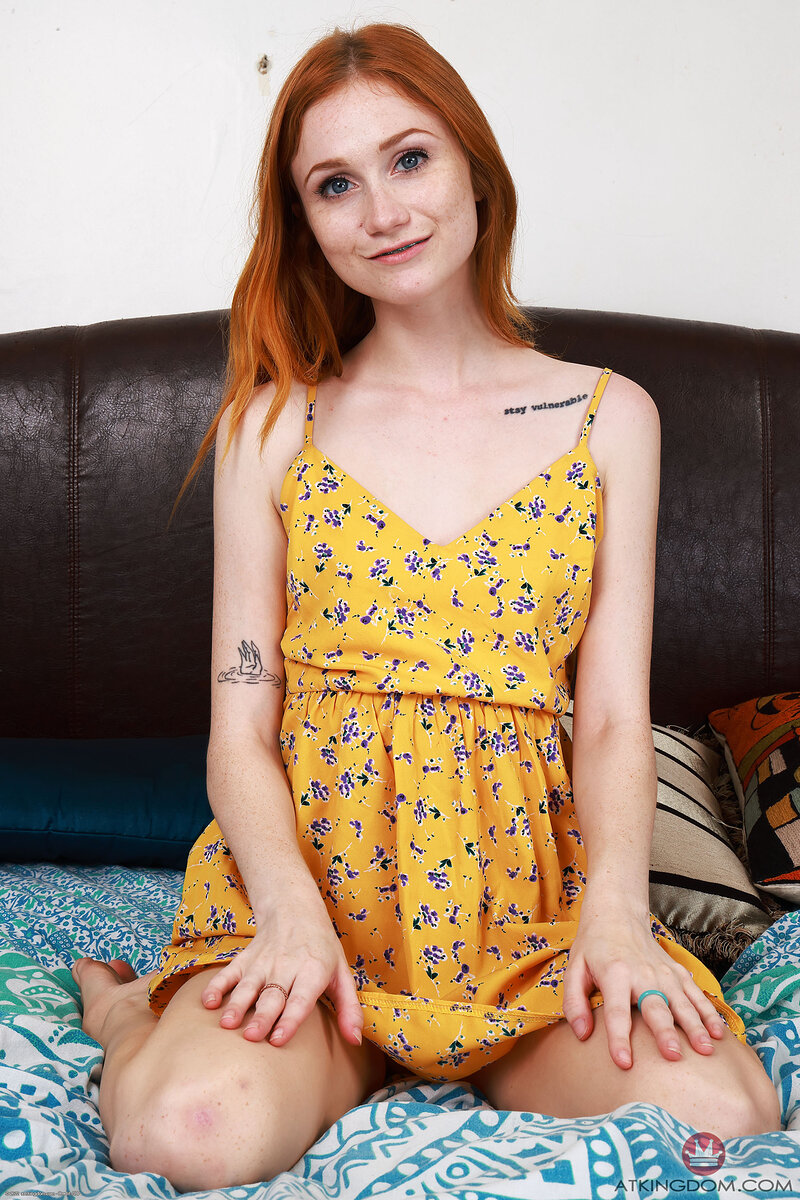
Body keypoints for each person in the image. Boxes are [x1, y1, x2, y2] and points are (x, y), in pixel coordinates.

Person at [70, 20, 782, 1193]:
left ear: (472, 169)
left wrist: (614, 917)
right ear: (304, 221)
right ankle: (126, 1016)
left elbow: (613, 717)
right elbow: (241, 722)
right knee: (180, 1135)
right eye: (333, 184)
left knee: (726, 1111)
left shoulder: (609, 418)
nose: (382, 211)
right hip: (315, 902)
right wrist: (287, 918)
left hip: (524, 918)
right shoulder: (272, 424)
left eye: (409, 159)